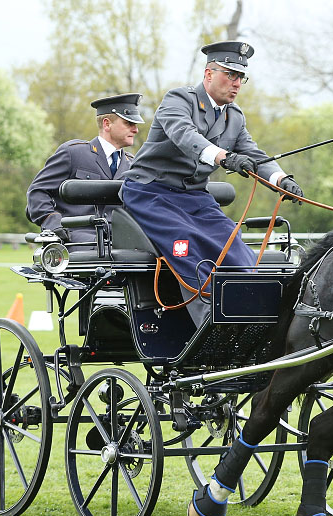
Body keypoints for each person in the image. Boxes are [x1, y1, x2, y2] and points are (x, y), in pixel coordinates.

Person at [121, 41, 302, 315]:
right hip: (151, 194)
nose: (237, 83)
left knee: (236, 247)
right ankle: (210, 326)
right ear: (208, 74)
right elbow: (185, 135)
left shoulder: (235, 117)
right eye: (230, 74)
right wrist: (224, 157)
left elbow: (254, 154)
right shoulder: (179, 100)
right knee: (190, 251)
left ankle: (253, 318)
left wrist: (280, 180)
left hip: (194, 197)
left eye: (241, 77)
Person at [26, 93, 143, 248]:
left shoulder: (132, 164)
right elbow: (38, 191)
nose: (135, 130)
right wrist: (53, 224)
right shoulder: (74, 153)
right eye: (129, 123)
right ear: (107, 124)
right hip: (76, 240)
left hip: (122, 243)